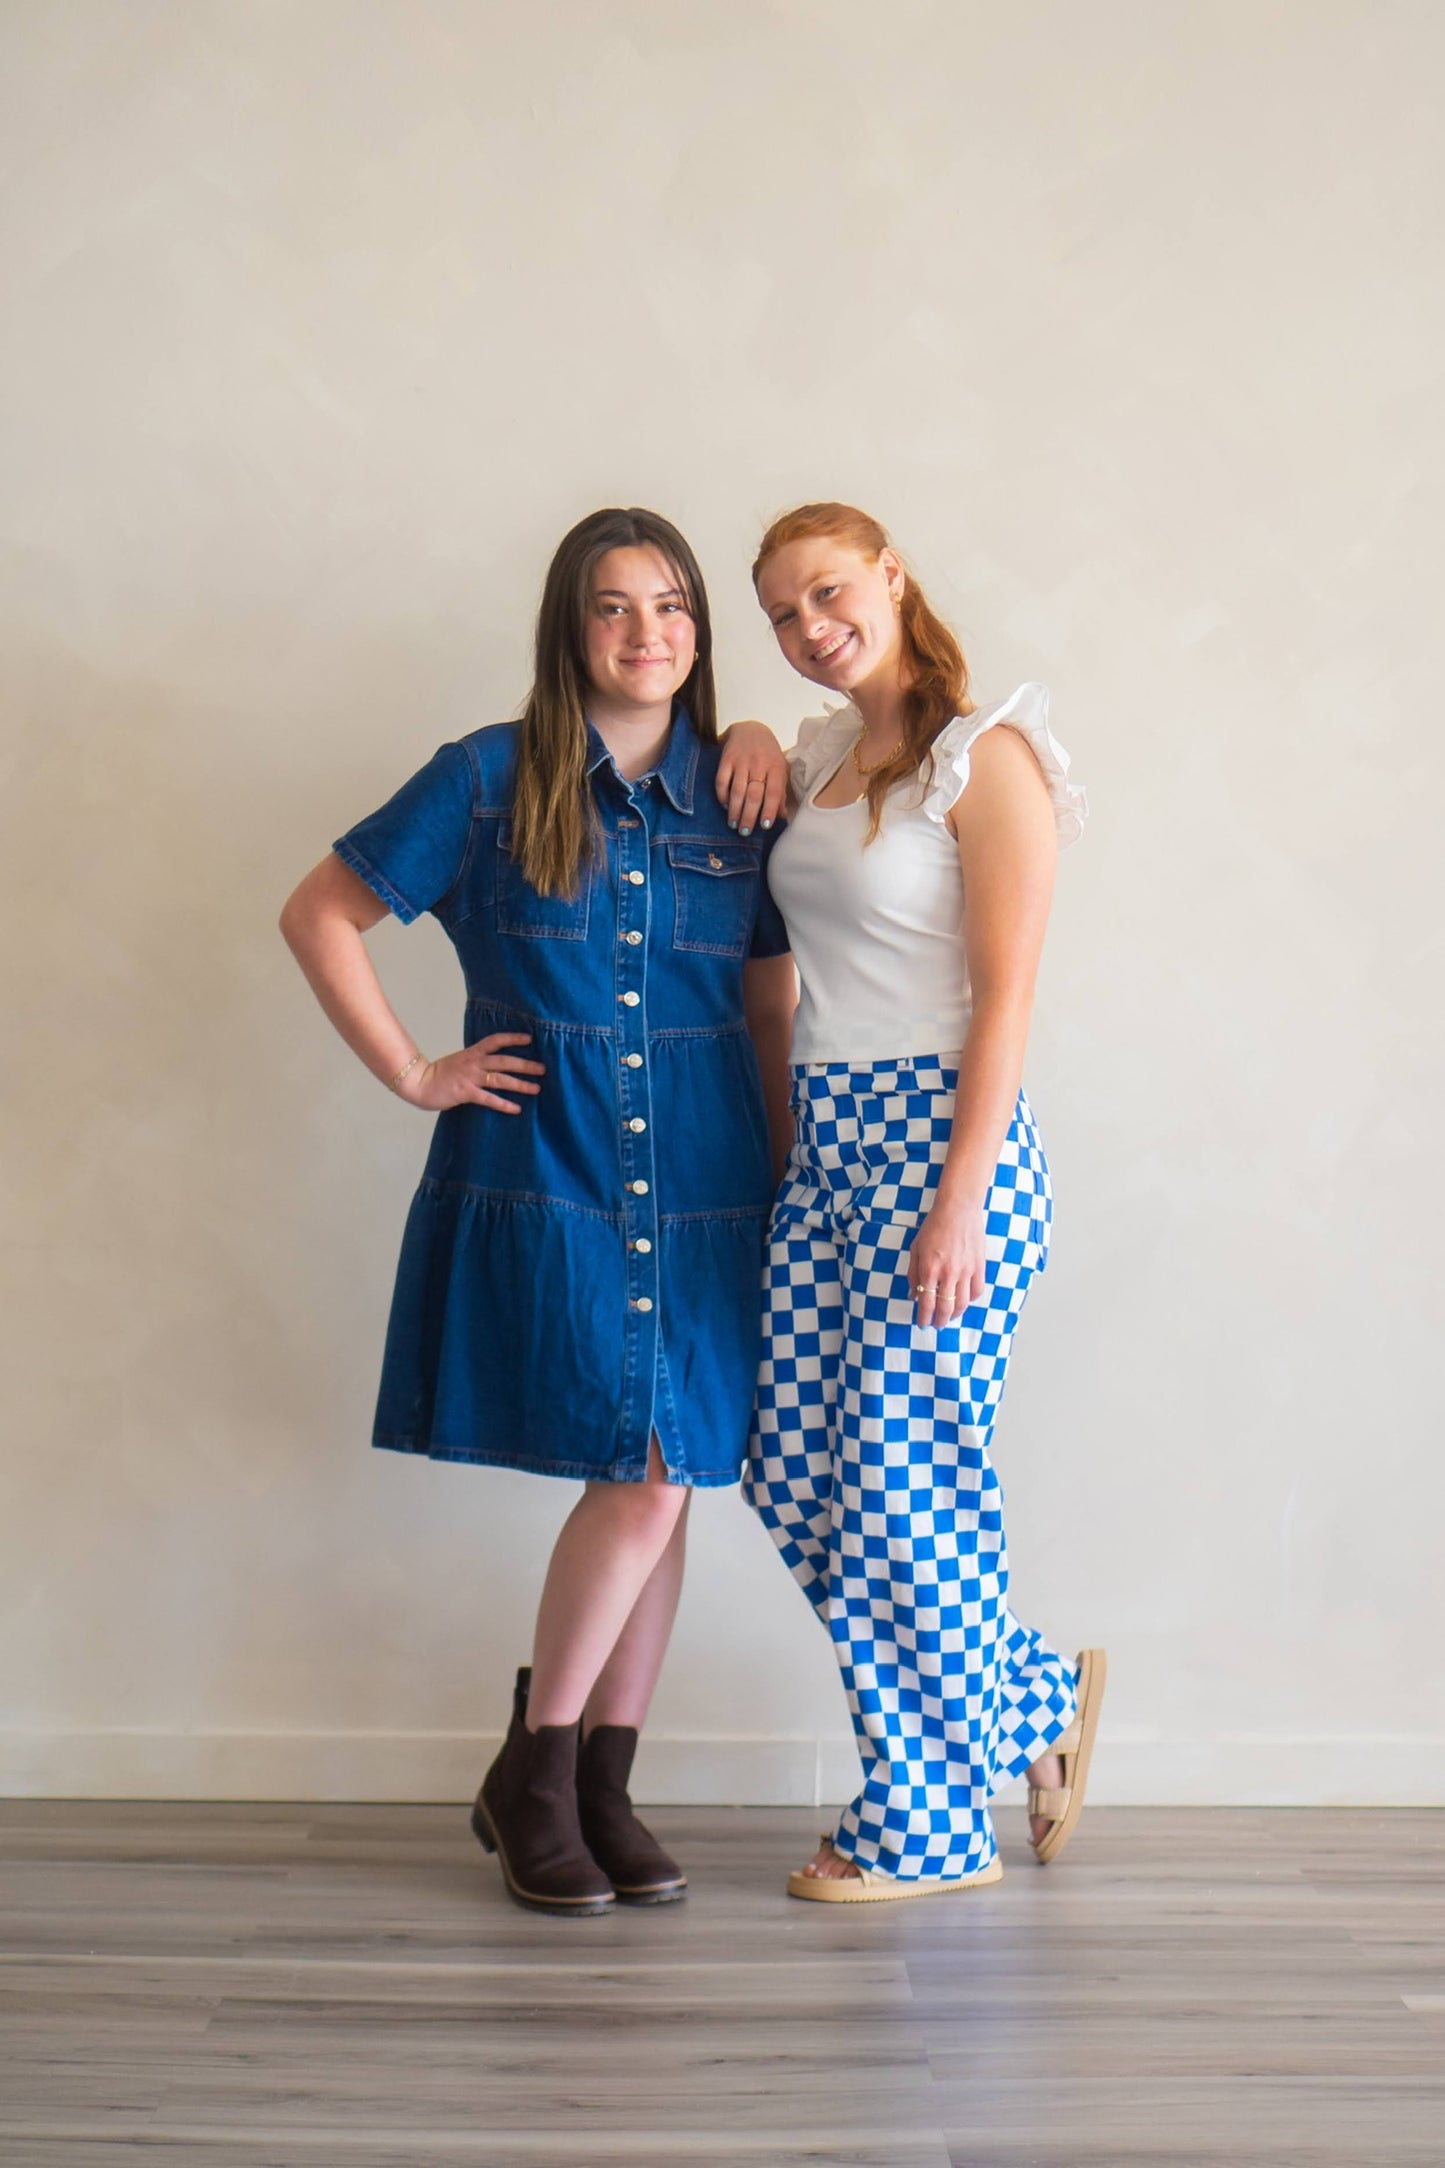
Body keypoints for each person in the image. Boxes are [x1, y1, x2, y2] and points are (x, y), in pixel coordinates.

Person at [280, 507, 794, 1917]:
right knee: (639, 1473)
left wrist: (788, 1167)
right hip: (554, 1172)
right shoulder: (489, 778)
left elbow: (765, 1002)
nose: (649, 635)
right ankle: (537, 1774)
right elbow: (319, 912)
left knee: (671, 1479)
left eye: (676, 608)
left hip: (708, 1182)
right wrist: (413, 1070)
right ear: (570, 631)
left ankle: (598, 1787)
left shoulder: (737, 792)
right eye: (616, 609)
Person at [743, 501, 1105, 1902]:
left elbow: (1007, 996)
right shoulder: (826, 754)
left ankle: (925, 1822)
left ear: (889, 576)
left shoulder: (986, 752)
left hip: (945, 1147)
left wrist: (956, 1201)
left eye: (825, 592)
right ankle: (1025, 1699)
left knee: (901, 1489)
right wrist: (750, 736)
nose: (805, 627)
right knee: (787, 1464)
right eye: (778, 612)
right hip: (824, 1150)